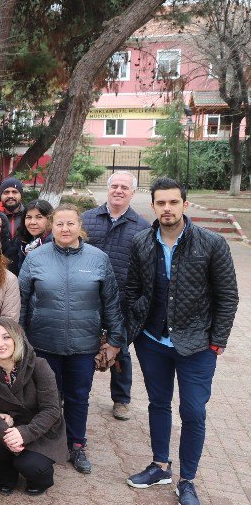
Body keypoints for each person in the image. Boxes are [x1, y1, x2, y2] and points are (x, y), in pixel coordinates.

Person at [124, 177, 238, 505]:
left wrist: (217, 342)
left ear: (184, 205)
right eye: (161, 203)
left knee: (193, 411)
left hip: (197, 345)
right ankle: (160, 466)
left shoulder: (211, 244)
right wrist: (132, 334)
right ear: (154, 206)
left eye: (174, 202)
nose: (167, 208)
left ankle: (187, 480)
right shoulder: (141, 241)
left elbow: (227, 297)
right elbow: (133, 289)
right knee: (158, 404)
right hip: (153, 341)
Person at [19, 203, 125, 475]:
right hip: (43, 342)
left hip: (83, 345)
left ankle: (76, 444)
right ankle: (47, 441)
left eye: (70, 223)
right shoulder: (35, 257)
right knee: (47, 396)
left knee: (79, 397)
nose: (65, 229)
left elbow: (111, 302)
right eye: (59, 224)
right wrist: (20, 339)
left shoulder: (98, 259)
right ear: (50, 226)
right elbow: (21, 302)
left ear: (80, 226)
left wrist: (114, 340)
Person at [81, 172, 145, 422]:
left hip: (121, 301)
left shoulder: (141, 227)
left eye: (125, 187)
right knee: (82, 349)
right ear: (107, 190)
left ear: (132, 193)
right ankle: (76, 393)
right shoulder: (87, 220)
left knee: (122, 352)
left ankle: (121, 399)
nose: (119, 191)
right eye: (115, 186)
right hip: (87, 299)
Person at [0, 318, 67, 496]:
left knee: (30, 465)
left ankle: (43, 480)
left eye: (6, 337)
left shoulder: (39, 366)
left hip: (39, 429)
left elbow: (52, 410)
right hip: (9, 426)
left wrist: (24, 433)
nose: (0, 344)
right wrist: (7, 434)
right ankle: (5, 474)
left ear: (16, 339)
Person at [12, 199, 53, 274]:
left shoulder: (55, 244)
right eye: (28, 217)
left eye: (39, 217)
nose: (32, 222)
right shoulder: (22, 241)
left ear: (50, 219)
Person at [0, 177, 25, 241]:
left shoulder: (28, 216)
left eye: (14, 192)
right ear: (1, 196)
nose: (10, 196)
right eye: (6, 192)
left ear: (21, 195)